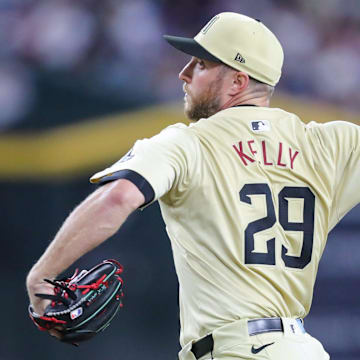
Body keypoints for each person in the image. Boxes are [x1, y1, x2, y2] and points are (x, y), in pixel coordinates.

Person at [27, 11, 360, 359]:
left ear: (237, 82)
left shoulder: (187, 143)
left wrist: (41, 275)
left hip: (234, 351)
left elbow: (118, 198)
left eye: (201, 64)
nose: (183, 74)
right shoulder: (331, 144)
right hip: (302, 349)